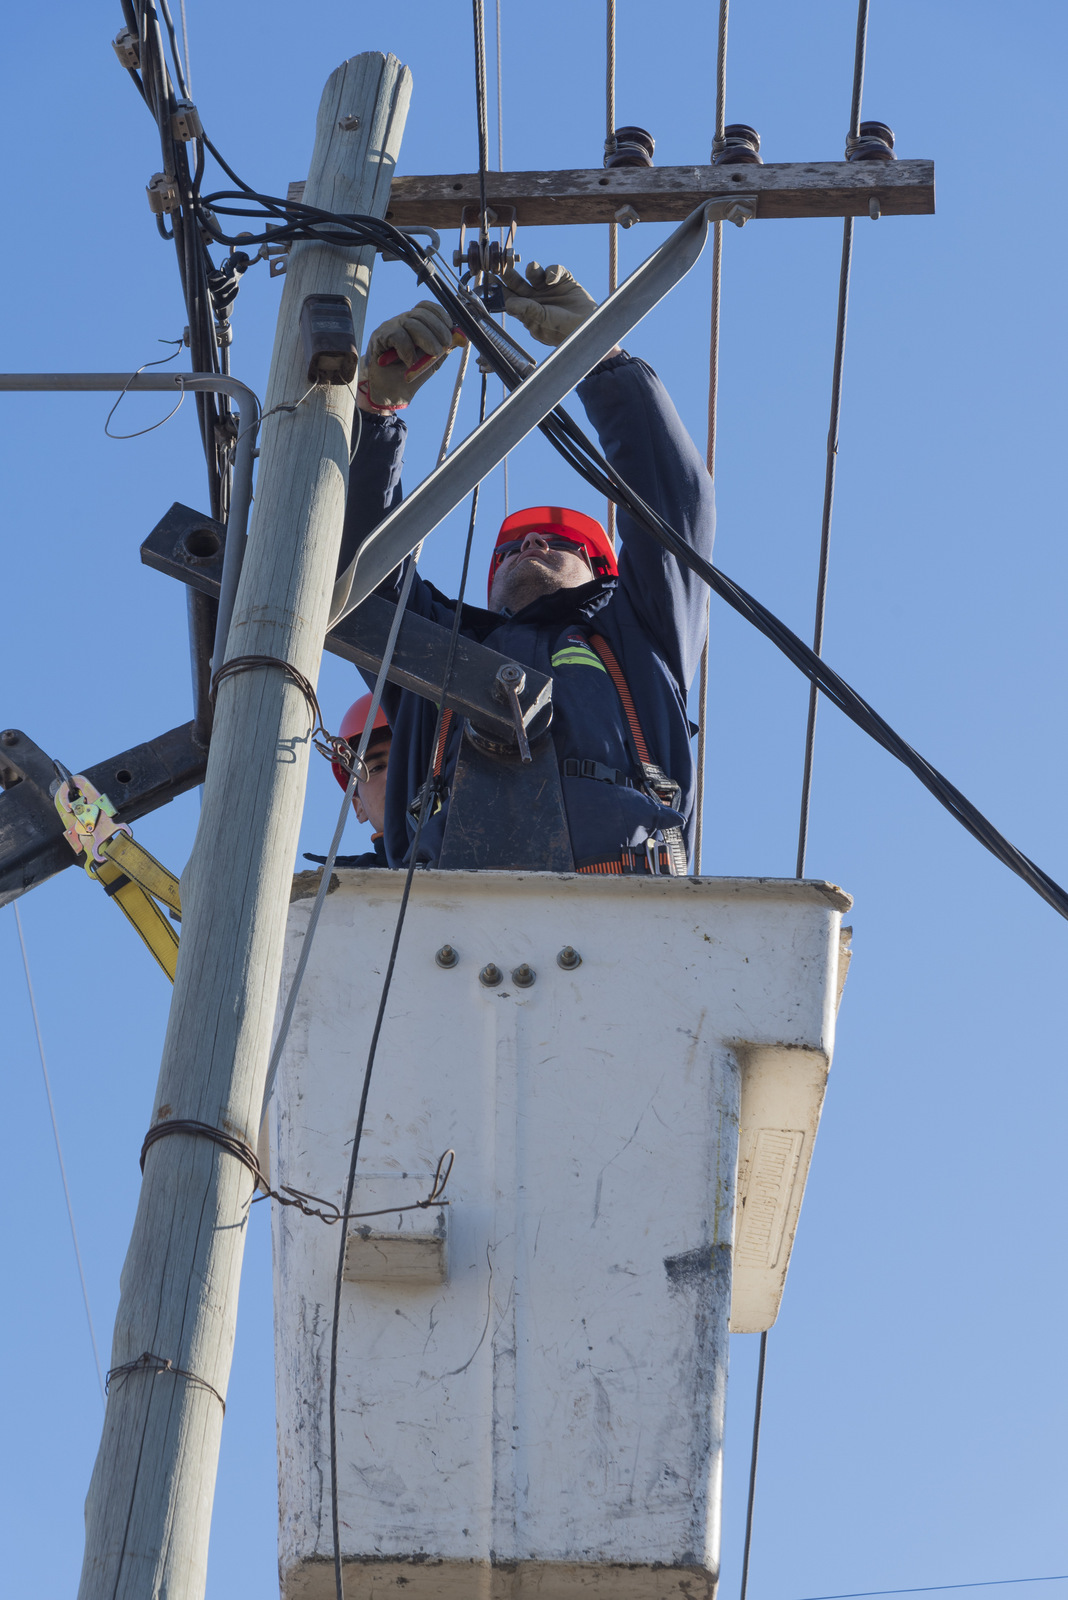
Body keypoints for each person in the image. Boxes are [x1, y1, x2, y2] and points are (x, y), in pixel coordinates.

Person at [338, 261, 715, 875]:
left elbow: (674, 501)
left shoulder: (640, 628)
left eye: (554, 541)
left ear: (603, 571)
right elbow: (363, 573)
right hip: (444, 905)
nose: (529, 547)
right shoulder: (438, 650)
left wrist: (601, 354)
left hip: (623, 894)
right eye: (512, 548)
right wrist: (374, 415)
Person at [304, 693, 391, 869]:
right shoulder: (337, 890)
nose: (391, 776)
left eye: (407, 762)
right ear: (359, 807)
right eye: (375, 768)